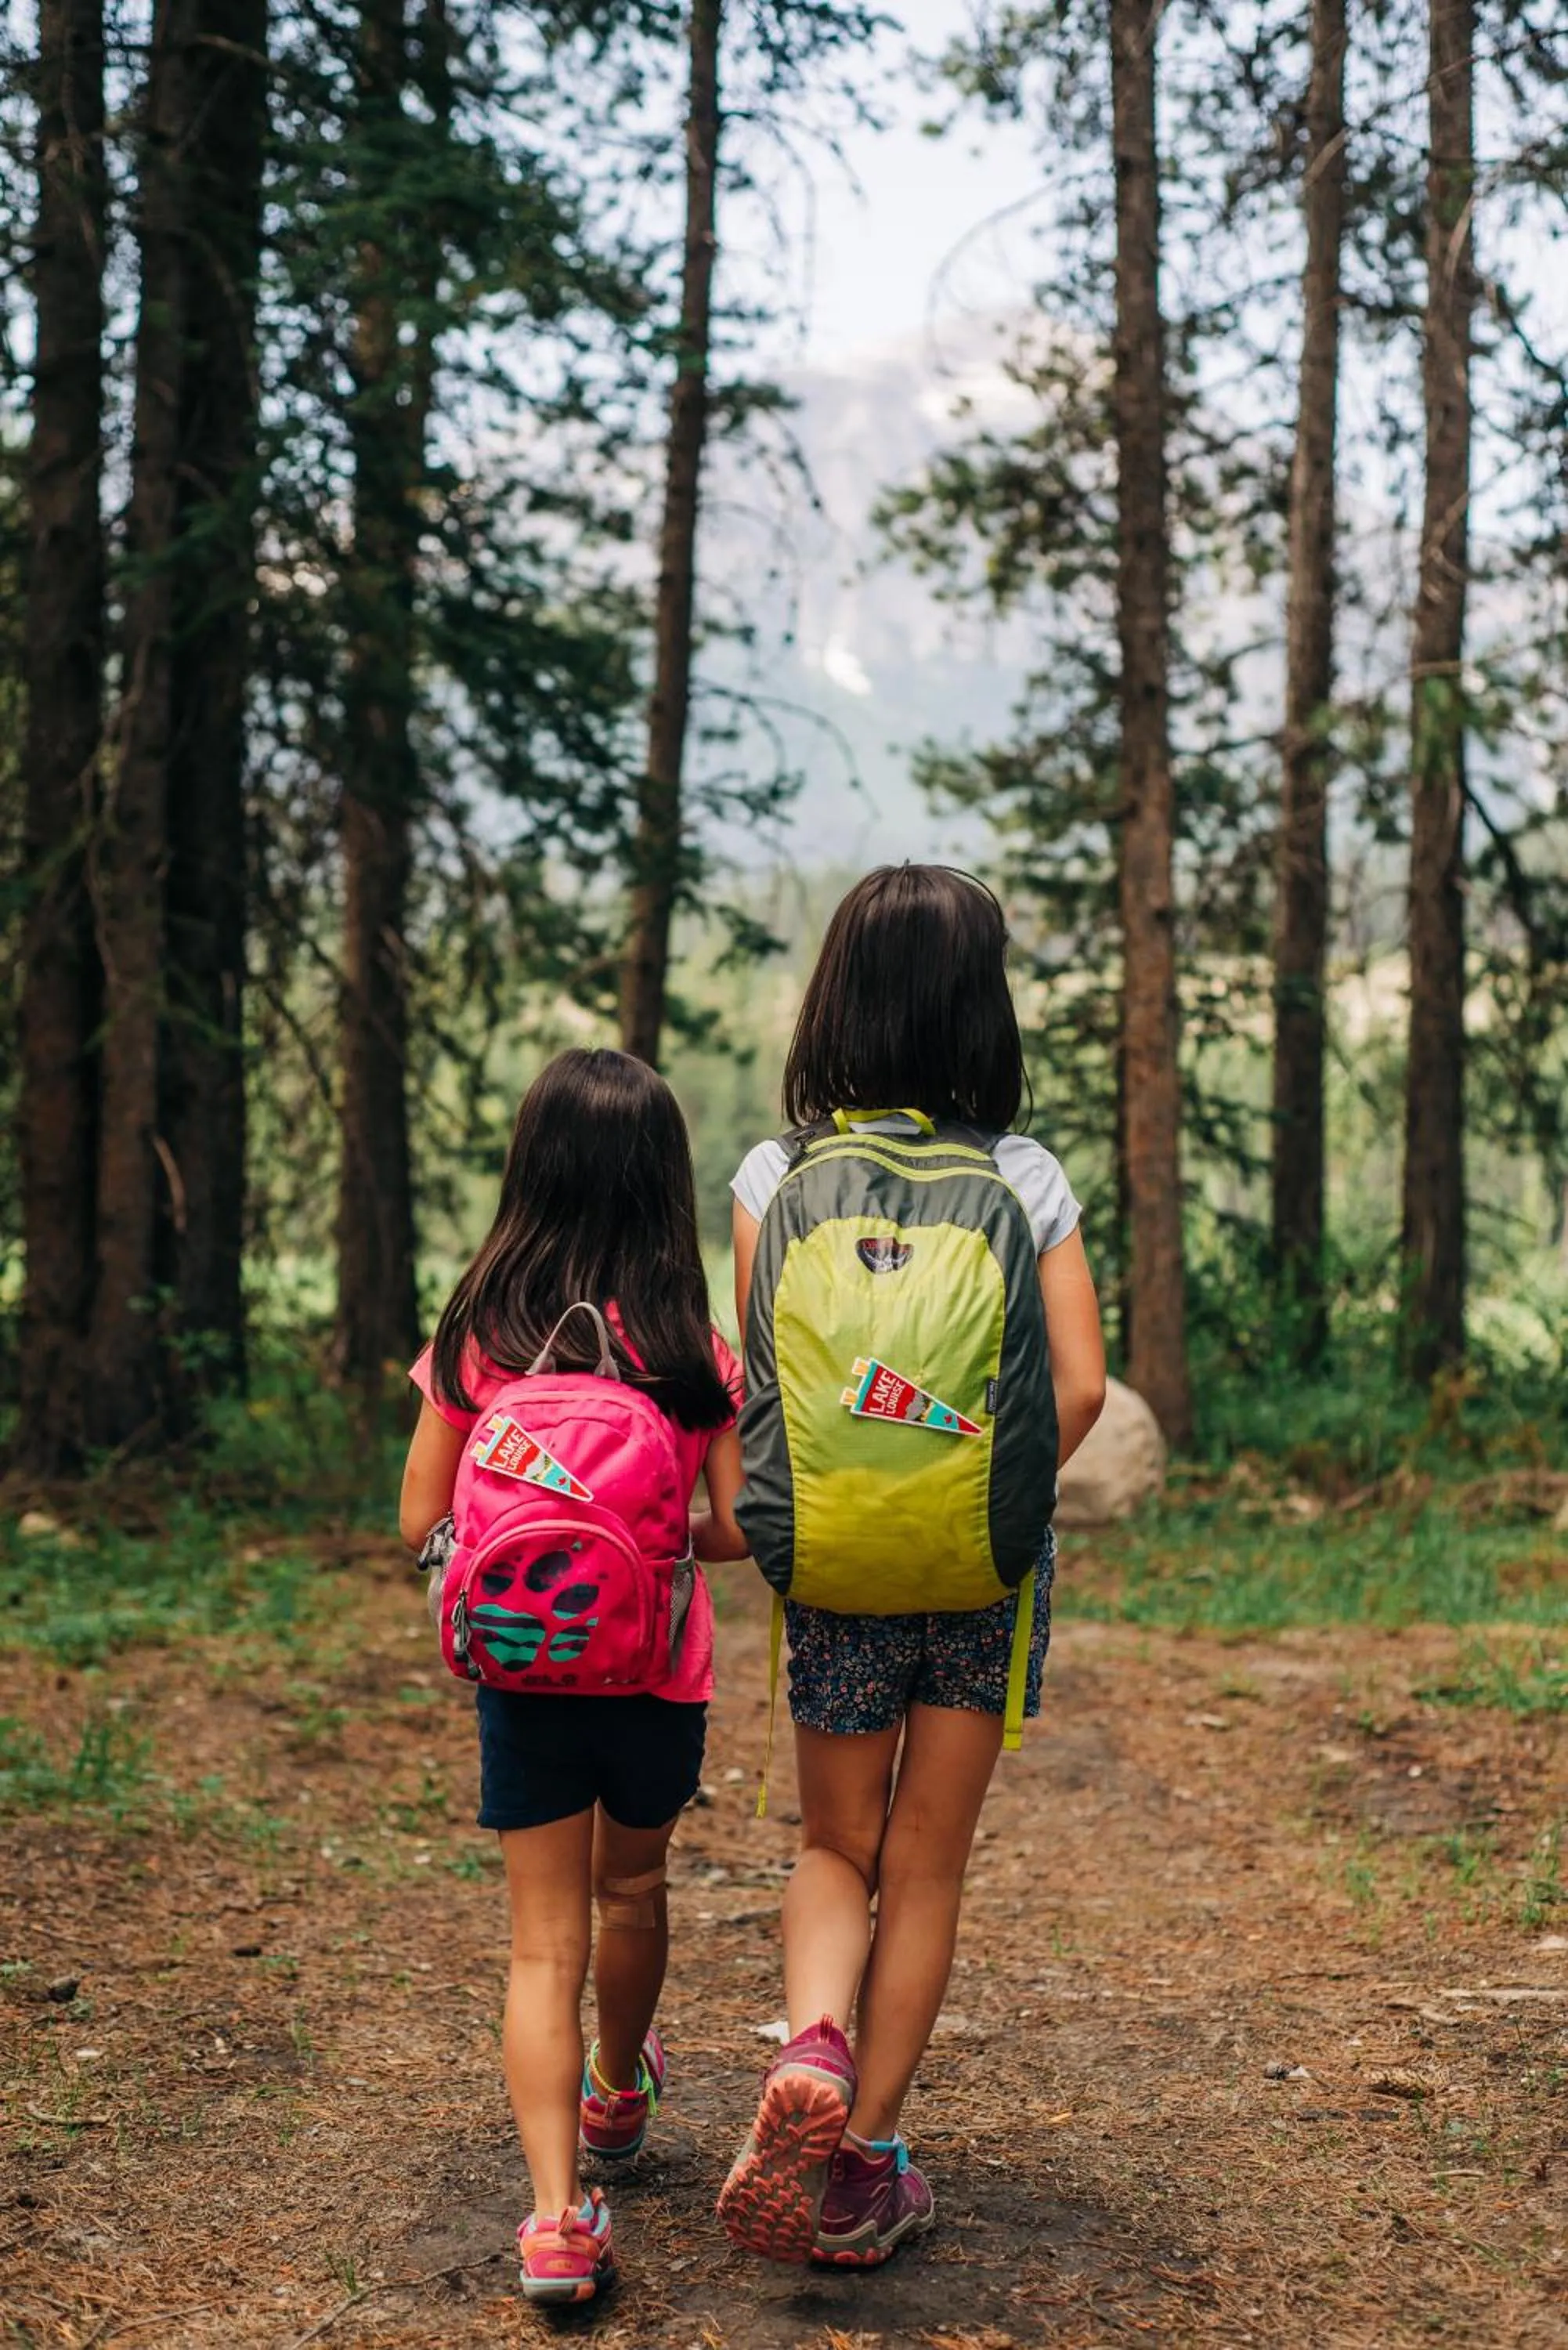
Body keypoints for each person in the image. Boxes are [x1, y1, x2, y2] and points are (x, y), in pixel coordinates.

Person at [717, 864, 1107, 2269]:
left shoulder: (777, 1177)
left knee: (835, 1843)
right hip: (983, 1570)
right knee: (926, 1865)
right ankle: (864, 2163)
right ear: (980, 1011)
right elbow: (1077, 1392)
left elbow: (764, 1384)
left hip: (829, 1569)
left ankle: (809, 2034)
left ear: (836, 998)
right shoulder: (1024, 1177)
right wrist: (975, 1493)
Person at [399, 1048, 749, 2307]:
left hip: (525, 1676)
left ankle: (555, 2218)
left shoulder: (481, 1333)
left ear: (528, 1171)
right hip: (655, 1675)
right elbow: (729, 1529)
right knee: (634, 1888)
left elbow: (416, 1513)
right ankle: (615, 2094)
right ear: (664, 1182)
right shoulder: (690, 1348)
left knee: (539, 1945)